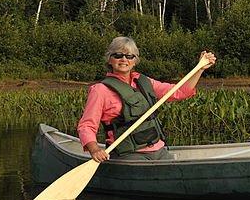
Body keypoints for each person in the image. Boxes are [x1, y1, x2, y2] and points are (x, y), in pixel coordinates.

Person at [78, 37, 216, 162]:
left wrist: (200, 69)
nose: (124, 59)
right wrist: (95, 150)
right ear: (110, 59)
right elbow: (87, 125)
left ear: (135, 61)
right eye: (118, 55)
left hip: (158, 149)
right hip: (128, 153)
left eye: (129, 56)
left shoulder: (144, 82)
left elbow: (180, 92)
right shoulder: (100, 90)